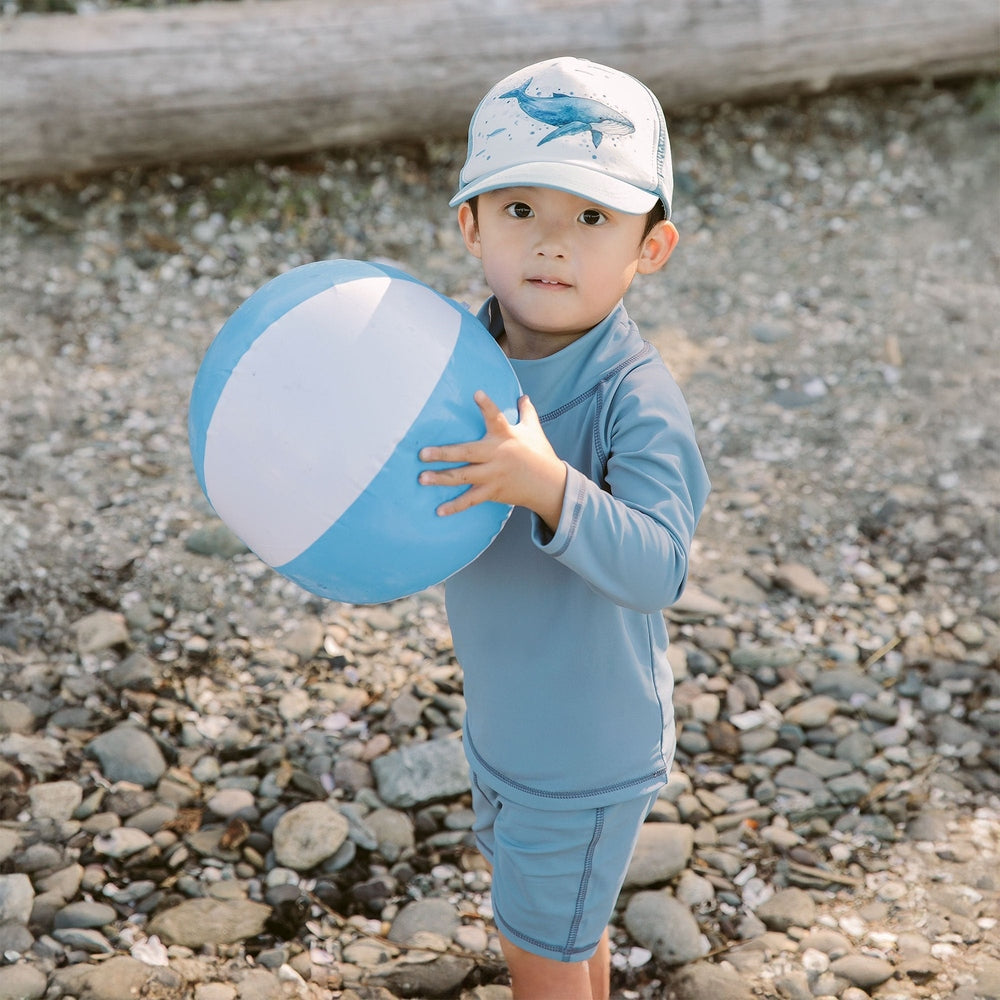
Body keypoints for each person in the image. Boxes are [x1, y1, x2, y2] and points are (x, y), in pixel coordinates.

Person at [417, 56, 711, 1000]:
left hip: (585, 744)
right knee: (566, 926)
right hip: (506, 721)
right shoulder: (455, 359)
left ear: (650, 247)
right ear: (471, 226)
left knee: (534, 947)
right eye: (520, 209)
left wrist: (551, 489)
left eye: (591, 218)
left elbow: (662, 567)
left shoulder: (637, 399)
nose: (551, 242)